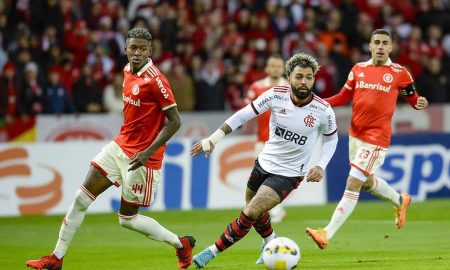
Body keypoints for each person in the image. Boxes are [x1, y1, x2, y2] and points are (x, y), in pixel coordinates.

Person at [25, 27, 195, 270]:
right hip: (119, 147)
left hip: (143, 158)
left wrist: (147, 151)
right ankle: (56, 258)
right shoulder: (126, 70)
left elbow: (175, 121)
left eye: (142, 49)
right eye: (133, 48)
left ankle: (181, 244)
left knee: (127, 220)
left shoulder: (156, 80)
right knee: (80, 198)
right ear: (125, 49)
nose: (137, 53)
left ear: (150, 51)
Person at [191, 52, 338, 268]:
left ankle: (211, 252)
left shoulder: (323, 110)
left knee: (250, 211)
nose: (304, 81)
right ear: (289, 78)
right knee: (255, 211)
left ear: (314, 79)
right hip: (263, 163)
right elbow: (242, 115)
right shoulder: (275, 95)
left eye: (308, 77)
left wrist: (320, 165)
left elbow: (331, 139)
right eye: (299, 77)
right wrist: (214, 138)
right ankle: (270, 242)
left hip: (289, 174)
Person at [306, 29, 429, 249]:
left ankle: (326, 232)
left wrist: (420, 102)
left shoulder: (400, 72)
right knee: (367, 182)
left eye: (385, 43)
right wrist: (318, 102)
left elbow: (413, 98)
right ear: (370, 46)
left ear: (391, 48)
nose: (380, 46)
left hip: (376, 138)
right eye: (377, 43)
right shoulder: (358, 69)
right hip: (356, 135)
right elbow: (344, 96)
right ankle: (401, 200)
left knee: (353, 182)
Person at [245, 54, 289, 223]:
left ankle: (274, 210)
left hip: (281, 142)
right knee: (262, 176)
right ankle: (272, 209)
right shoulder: (256, 87)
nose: (276, 69)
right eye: (273, 66)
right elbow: (247, 109)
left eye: (279, 66)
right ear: (267, 68)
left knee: (275, 177)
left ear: (283, 69)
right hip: (261, 140)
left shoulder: (288, 87)